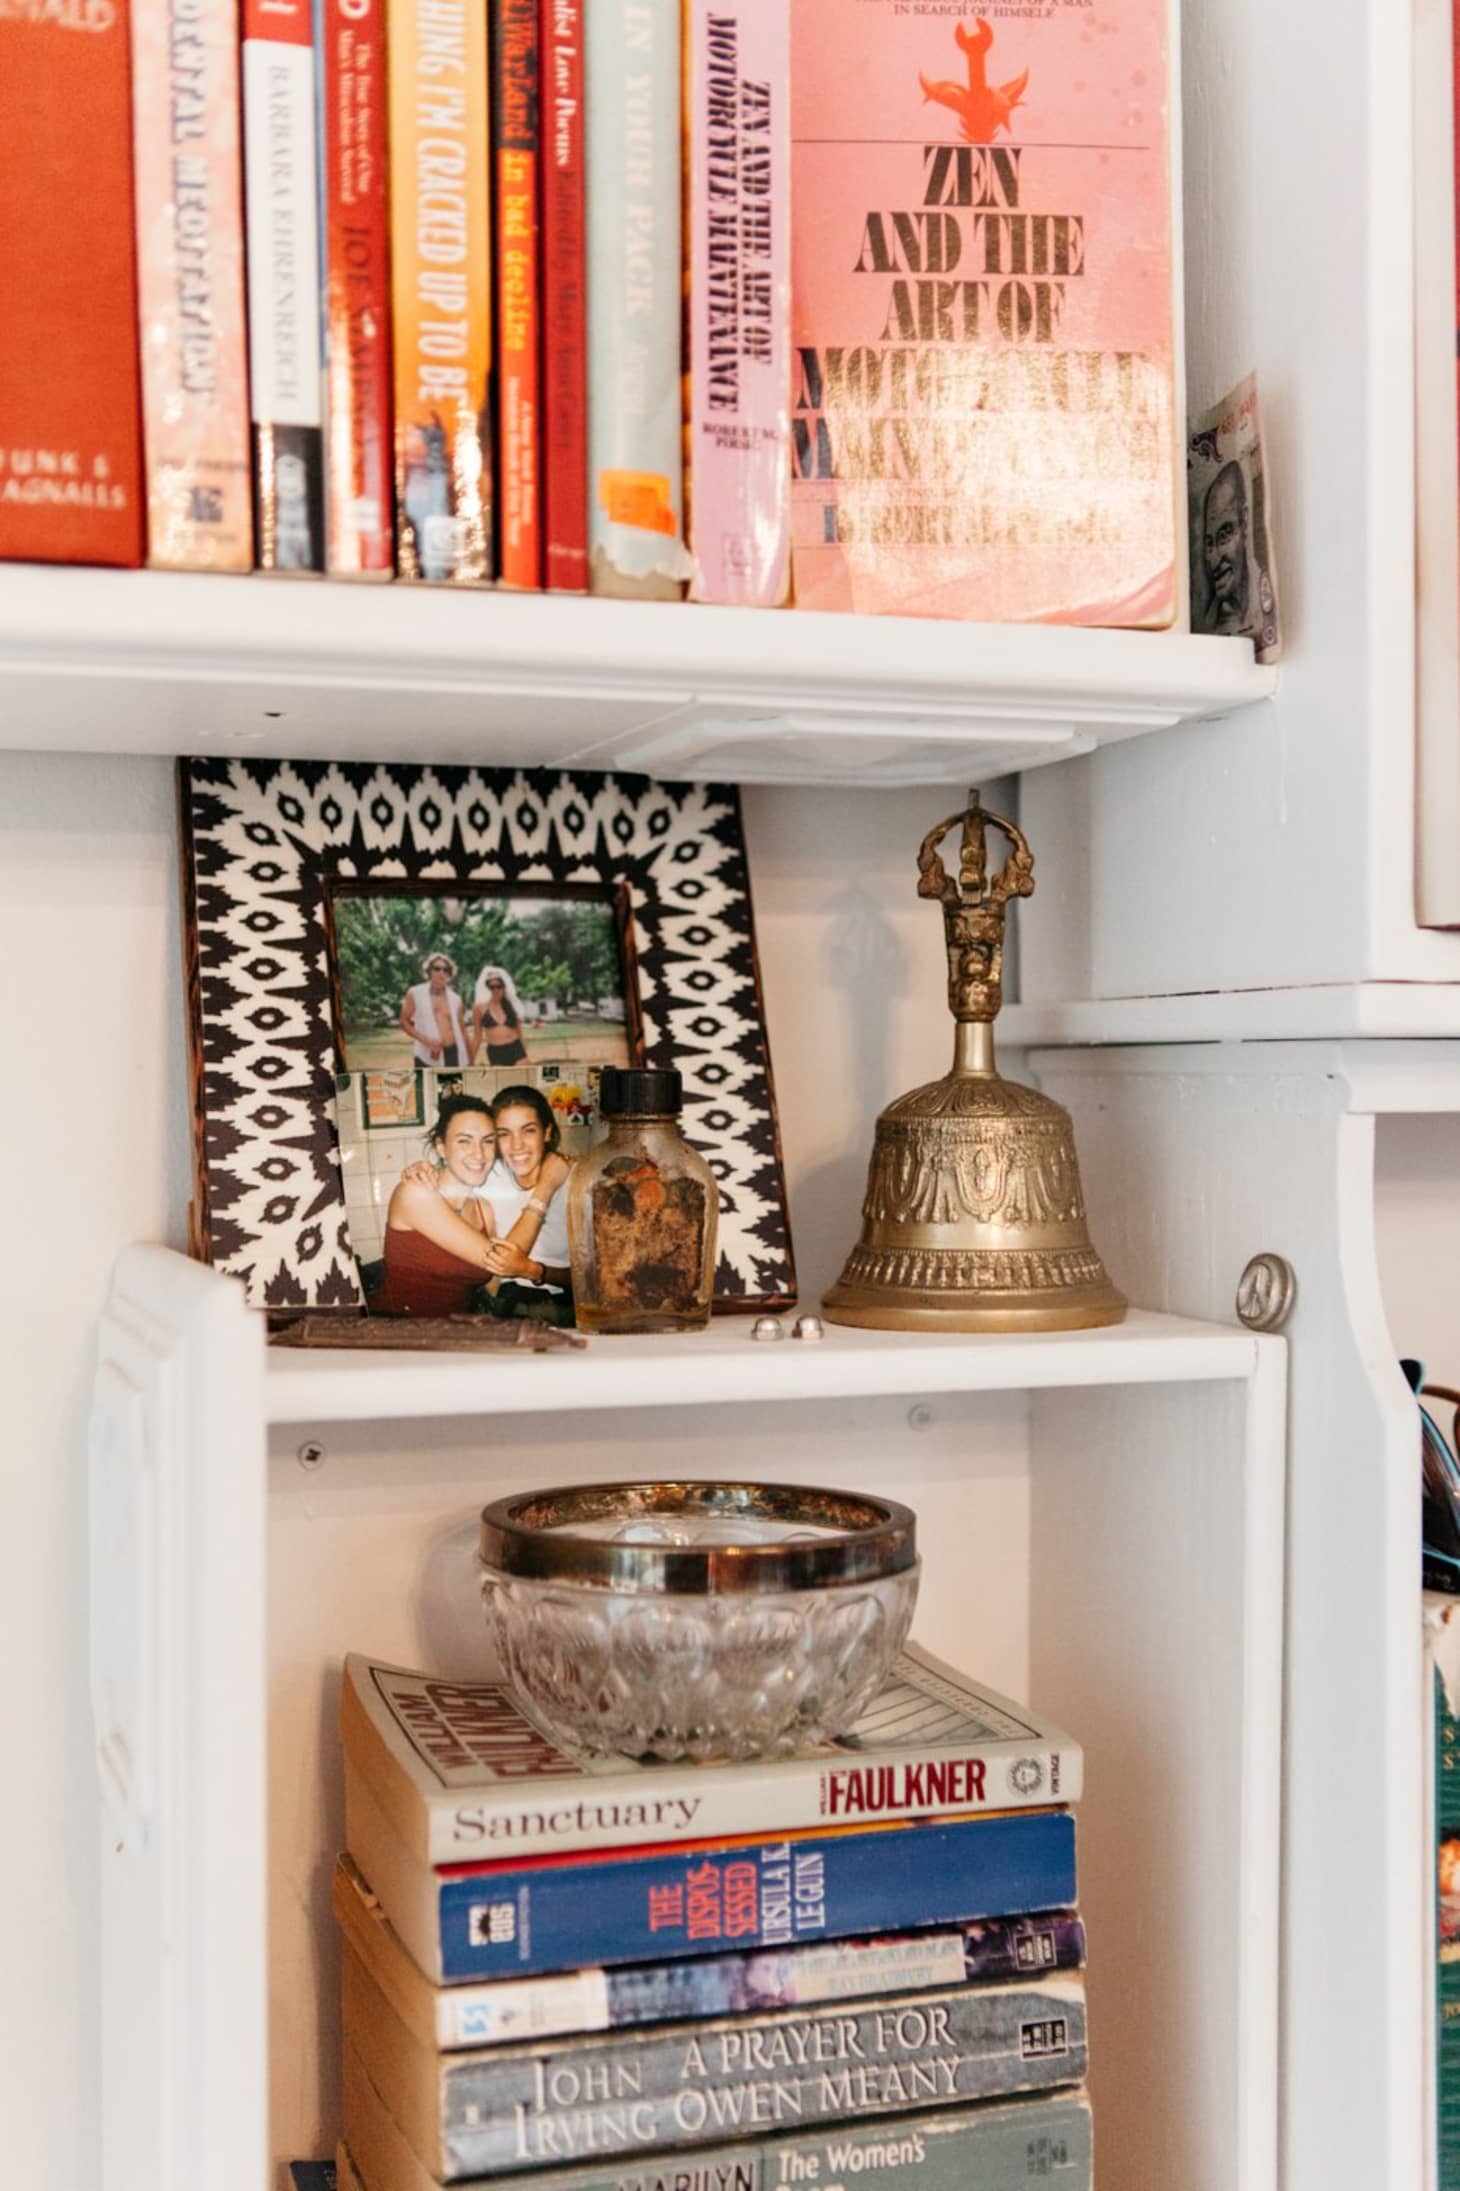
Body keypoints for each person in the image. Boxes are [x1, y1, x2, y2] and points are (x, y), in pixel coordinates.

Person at [370, 1091, 565, 1316]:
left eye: (487, 1141)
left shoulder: (484, 1209)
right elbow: (503, 1261)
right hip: (402, 1332)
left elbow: (495, 1279)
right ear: (441, 1147)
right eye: (464, 1141)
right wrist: (547, 1187)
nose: (479, 1154)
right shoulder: (415, 1192)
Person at [1199, 460, 1276, 641]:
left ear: (1245, 523)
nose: (1214, 560)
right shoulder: (1207, 619)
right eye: (1209, 543)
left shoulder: (1262, 600)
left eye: (1224, 536)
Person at [400, 951, 470, 1068]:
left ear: (449, 974)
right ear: (429, 971)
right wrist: (426, 1041)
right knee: (426, 1086)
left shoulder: (456, 999)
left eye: (445, 969)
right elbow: (404, 1022)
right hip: (426, 1055)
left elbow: (463, 1032)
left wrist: (471, 1060)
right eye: (437, 968)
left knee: (450, 1087)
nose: (441, 972)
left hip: (452, 1055)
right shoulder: (415, 993)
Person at [470, 964, 529, 1067]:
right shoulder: (479, 1008)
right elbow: (477, 1038)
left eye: (499, 986)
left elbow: (520, 1034)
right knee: (503, 1082)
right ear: (487, 988)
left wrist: (526, 1055)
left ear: (504, 987)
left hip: (516, 1049)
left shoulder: (512, 1006)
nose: (496, 990)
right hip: (496, 1052)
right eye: (492, 987)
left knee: (520, 1080)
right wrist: (470, 1061)